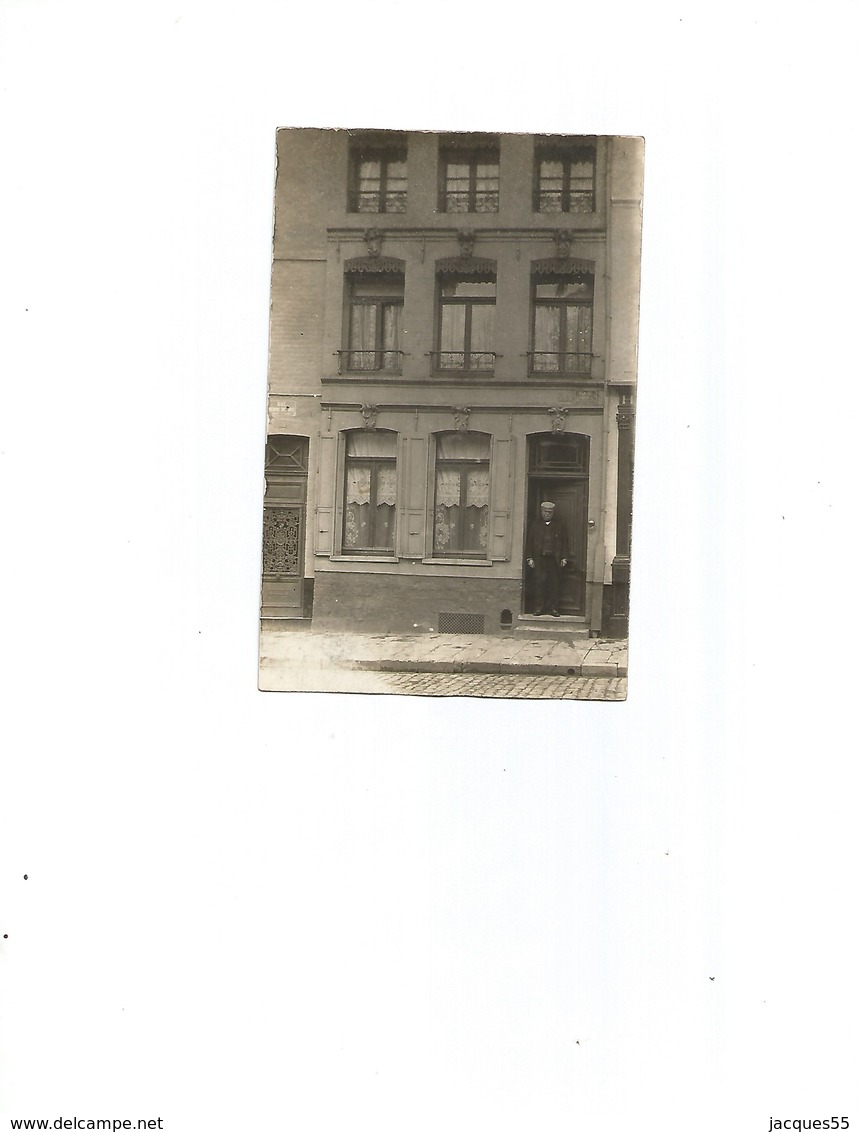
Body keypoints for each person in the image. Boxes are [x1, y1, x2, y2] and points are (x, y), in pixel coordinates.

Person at [526, 501, 570, 616]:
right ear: (541, 512)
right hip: (540, 560)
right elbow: (529, 543)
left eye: (550, 512)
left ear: (553, 513)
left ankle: (553, 609)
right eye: (545, 512)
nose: (547, 514)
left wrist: (564, 557)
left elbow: (564, 543)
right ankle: (539, 608)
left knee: (554, 585)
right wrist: (530, 558)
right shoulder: (535, 525)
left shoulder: (559, 526)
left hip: (553, 561)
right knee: (539, 584)